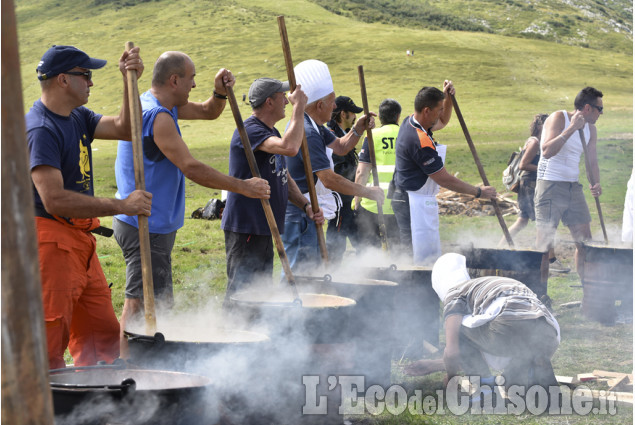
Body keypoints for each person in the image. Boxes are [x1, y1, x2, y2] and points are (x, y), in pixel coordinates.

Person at [113, 52, 270, 349]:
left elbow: (208, 111)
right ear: (174, 80)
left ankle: (148, 362)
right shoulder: (157, 116)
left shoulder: (162, 105)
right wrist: (243, 186)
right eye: (191, 78)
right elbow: (191, 166)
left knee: (157, 302)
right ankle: (128, 367)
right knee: (139, 304)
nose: (194, 85)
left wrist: (219, 92)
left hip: (151, 224)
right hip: (144, 224)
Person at [26, 45, 151, 369]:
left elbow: (128, 128)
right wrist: (122, 204)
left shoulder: (78, 116)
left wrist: (128, 79)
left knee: (101, 334)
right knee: (49, 341)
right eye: (86, 75)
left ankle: (99, 407)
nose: (91, 83)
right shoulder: (41, 129)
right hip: (50, 240)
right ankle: (45, 412)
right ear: (63, 80)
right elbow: (54, 199)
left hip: (80, 238)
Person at [221, 78, 324, 304]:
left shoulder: (271, 130)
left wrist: (305, 205)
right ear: (269, 102)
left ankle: (255, 334)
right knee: (241, 293)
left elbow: (281, 175)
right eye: (282, 97)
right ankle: (231, 335)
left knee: (260, 292)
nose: (287, 101)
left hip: (266, 227)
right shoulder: (249, 130)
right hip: (247, 226)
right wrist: (299, 108)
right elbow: (289, 148)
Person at [281, 59, 384, 274]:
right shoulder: (308, 131)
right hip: (300, 213)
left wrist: (357, 129)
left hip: (310, 211)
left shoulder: (314, 125)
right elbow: (328, 179)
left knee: (311, 270)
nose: (335, 106)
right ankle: (292, 307)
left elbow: (340, 146)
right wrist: (366, 192)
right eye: (332, 101)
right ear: (320, 105)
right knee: (300, 272)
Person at [411, 253, 560, 392]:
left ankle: (484, 390)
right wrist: (436, 365)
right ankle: (542, 382)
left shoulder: (454, 293)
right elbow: (479, 350)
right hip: (549, 334)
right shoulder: (485, 286)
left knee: (458, 329)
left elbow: (453, 352)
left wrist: (451, 378)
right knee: (512, 383)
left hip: (512, 329)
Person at [392, 83, 496, 265]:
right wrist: (478, 192)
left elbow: (442, 122)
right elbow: (444, 179)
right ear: (426, 111)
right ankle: (412, 291)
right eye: (438, 110)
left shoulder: (412, 120)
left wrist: (448, 100)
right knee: (415, 258)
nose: (441, 114)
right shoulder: (420, 141)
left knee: (427, 255)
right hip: (411, 202)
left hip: (417, 199)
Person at [534, 87, 604, 280]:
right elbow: (547, 151)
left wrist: (595, 183)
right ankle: (540, 295)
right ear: (588, 108)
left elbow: (592, 161)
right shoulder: (559, 118)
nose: (601, 114)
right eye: (600, 109)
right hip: (549, 186)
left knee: (585, 243)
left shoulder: (592, 130)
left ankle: (588, 291)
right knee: (544, 246)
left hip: (573, 188)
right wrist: (572, 128)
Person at [354, 98, 403, 252]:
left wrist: (357, 200)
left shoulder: (372, 135)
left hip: (372, 203)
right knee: (399, 253)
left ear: (380, 117)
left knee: (370, 253)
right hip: (400, 203)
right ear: (397, 116)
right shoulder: (406, 134)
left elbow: (362, 171)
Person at [325, 96, 363, 264]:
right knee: (336, 242)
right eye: (352, 113)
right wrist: (360, 174)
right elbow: (339, 170)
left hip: (346, 197)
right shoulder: (332, 136)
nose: (354, 116)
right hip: (339, 198)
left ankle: (369, 266)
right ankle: (331, 274)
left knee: (363, 241)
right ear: (343, 115)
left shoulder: (340, 134)